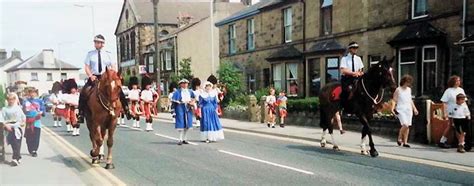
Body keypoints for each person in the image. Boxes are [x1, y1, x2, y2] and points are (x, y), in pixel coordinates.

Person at [78, 34, 130, 120]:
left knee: (118, 90)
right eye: (95, 42)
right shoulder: (90, 54)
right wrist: (91, 76)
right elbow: (87, 67)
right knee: (84, 91)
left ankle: (126, 109)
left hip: (106, 77)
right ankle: (81, 113)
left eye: (98, 42)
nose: (96, 44)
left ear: (102, 44)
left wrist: (112, 76)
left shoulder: (108, 54)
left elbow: (113, 66)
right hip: (95, 77)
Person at [391, 75, 419, 148]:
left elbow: (410, 100)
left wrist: (414, 108)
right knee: (405, 124)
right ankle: (399, 138)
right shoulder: (398, 89)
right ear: (404, 82)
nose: (409, 84)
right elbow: (394, 100)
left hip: (408, 109)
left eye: (410, 82)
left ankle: (405, 142)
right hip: (401, 109)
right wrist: (392, 108)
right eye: (408, 82)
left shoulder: (409, 90)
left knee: (407, 126)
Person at [439, 75, 466, 148]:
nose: (458, 82)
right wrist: (444, 112)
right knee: (454, 126)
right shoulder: (448, 91)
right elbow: (444, 102)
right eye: (457, 81)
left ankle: (443, 141)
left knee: (453, 126)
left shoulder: (461, 90)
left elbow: (464, 101)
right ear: (453, 82)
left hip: (460, 111)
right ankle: (461, 143)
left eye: (459, 80)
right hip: (451, 111)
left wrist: (466, 111)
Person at [0, 93, 26, 166]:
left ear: (14, 100)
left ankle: (15, 159)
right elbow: (1, 119)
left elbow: (23, 117)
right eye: (9, 99)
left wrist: (23, 122)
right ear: (7, 100)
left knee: (17, 143)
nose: (10, 101)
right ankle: (18, 157)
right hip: (9, 128)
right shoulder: (4, 109)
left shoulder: (18, 108)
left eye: (12, 99)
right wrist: (6, 125)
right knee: (13, 144)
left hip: (17, 127)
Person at [339, 41, 364, 111]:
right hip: (347, 79)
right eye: (354, 48)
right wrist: (353, 73)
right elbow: (343, 70)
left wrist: (360, 73)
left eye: (356, 48)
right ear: (350, 49)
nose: (355, 49)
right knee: (347, 91)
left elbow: (361, 70)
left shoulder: (358, 59)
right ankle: (343, 106)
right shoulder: (345, 59)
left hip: (357, 79)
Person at [171, 79, 196, 145]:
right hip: (180, 108)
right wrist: (173, 111)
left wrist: (192, 103)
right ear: (180, 84)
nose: (185, 85)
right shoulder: (177, 92)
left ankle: (185, 138)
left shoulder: (190, 91)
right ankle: (180, 139)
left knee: (187, 124)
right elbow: (173, 102)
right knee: (181, 123)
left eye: (186, 83)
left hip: (188, 108)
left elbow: (194, 98)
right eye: (183, 83)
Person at [22, 88, 45, 157]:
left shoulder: (40, 101)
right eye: (30, 92)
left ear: (36, 93)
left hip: (36, 121)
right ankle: (30, 149)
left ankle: (34, 150)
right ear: (28, 94)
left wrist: (41, 113)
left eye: (33, 92)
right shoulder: (25, 102)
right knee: (29, 137)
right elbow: (23, 111)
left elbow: (43, 110)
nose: (32, 94)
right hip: (28, 121)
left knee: (36, 136)